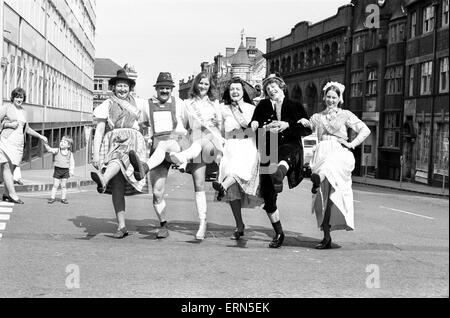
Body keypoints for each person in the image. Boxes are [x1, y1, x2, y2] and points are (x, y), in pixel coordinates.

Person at [298, 81, 370, 249]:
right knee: (324, 198)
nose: (331, 100)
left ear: (340, 99)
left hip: (338, 152)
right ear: (324, 97)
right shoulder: (317, 117)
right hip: (322, 151)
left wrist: (352, 144)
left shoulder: (346, 115)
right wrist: (303, 122)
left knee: (333, 191)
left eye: (334, 97)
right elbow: (310, 134)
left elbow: (365, 130)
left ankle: (319, 177)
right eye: (328, 97)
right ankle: (326, 236)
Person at [250, 74, 312, 248]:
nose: (271, 90)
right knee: (269, 199)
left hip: (289, 144)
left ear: (282, 87)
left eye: (274, 87)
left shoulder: (295, 105)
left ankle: (279, 174)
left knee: (285, 155)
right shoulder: (262, 105)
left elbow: (306, 128)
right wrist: (257, 124)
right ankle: (279, 233)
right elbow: (254, 125)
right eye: (268, 88)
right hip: (268, 148)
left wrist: (289, 125)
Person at [128, 72, 189, 239]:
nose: (164, 91)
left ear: (172, 89)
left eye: (167, 88)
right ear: (156, 89)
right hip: (157, 150)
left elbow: (191, 123)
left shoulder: (180, 103)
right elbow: (138, 120)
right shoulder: (147, 105)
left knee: (165, 144)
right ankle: (163, 224)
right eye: (161, 88)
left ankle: (145, 167)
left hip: (176, 144)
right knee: (157, 192)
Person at [90, 68, 149, 238]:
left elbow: (152, 115)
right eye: (119, 86)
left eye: (125, 86)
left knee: (121, 156)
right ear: (114, 88)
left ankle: (103, 179)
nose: (122, 89)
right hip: (113, 141)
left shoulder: (139, 103)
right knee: (117, 186)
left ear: (130, 88)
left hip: (133, 142)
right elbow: (100, 131)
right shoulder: (106, 104)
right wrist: (95, 154)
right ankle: (121, 226)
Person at [212, 77, 263, 240]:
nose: (235, 92)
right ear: (228, 92)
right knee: (233, 193)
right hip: (230, 147)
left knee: (236, 172)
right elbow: (218, 131)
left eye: (238, 89)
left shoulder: (252, 108)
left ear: (243, 92)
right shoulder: (223, 109)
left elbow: (259, 129)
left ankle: (222, 185)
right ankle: (239, 225)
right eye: (232, 89)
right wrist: (218, 151)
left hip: (247, 145)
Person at [0, 87, 48, 204]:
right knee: (6, 166)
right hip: (6, 141)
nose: (19, 99)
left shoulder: (24, 112)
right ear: (13, 97)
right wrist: (8, 125)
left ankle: (6, 194)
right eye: (17, 97)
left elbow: (27, 129)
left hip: (19, 143)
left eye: (21, 97)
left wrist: (40, 136)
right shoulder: (6, 107)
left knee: (12, 168)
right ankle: (13, 194)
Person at [44, 135, 75, 204]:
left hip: (65, 171)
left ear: (68, 145)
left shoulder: (70, 154)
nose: (61, 143)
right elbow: (49, 149)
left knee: (63, 186)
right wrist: (45, 143)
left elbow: (72, 163)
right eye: (61, 141)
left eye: (64, 142)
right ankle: (52, 198)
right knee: (55, 185)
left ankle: (63, 198)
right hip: (57, 170)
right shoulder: (57, 150)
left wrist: (71, 171)